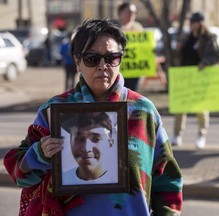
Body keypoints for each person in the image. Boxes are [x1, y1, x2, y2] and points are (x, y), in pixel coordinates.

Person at [4, 19, 182, 215]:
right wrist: (40, 153)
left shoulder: (144, 112)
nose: (102, 66)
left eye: (112, 57)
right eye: (92, 58)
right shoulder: (54, 112)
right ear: (77, 61)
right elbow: (19, 174)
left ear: (120, 60)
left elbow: (168, 180)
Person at [171, 12, 219, 148]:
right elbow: (180, 55)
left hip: (200, 77)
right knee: (180, 107)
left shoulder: (209, 37)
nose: (191, 24)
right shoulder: (187, 37)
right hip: (185, 76)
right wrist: (177, 50)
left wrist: (204, 62)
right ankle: (177, 135)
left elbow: (217, 55)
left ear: (200, 23)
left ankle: (201, 135)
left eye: (193, 22)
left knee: (201, 108)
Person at [61, 112, 117, 185]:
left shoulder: (121, 180)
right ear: (70, 142)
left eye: (96, 139)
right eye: (79, 139)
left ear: (110, 143)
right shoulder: (62, 181)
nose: (86, 149)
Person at [117, 2, 144, 91]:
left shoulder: (139, 27)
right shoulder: (115, 28)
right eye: (129, 12)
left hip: (134, 69)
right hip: (119, 69)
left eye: (134, 12)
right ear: (120, 13)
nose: (132, 15)